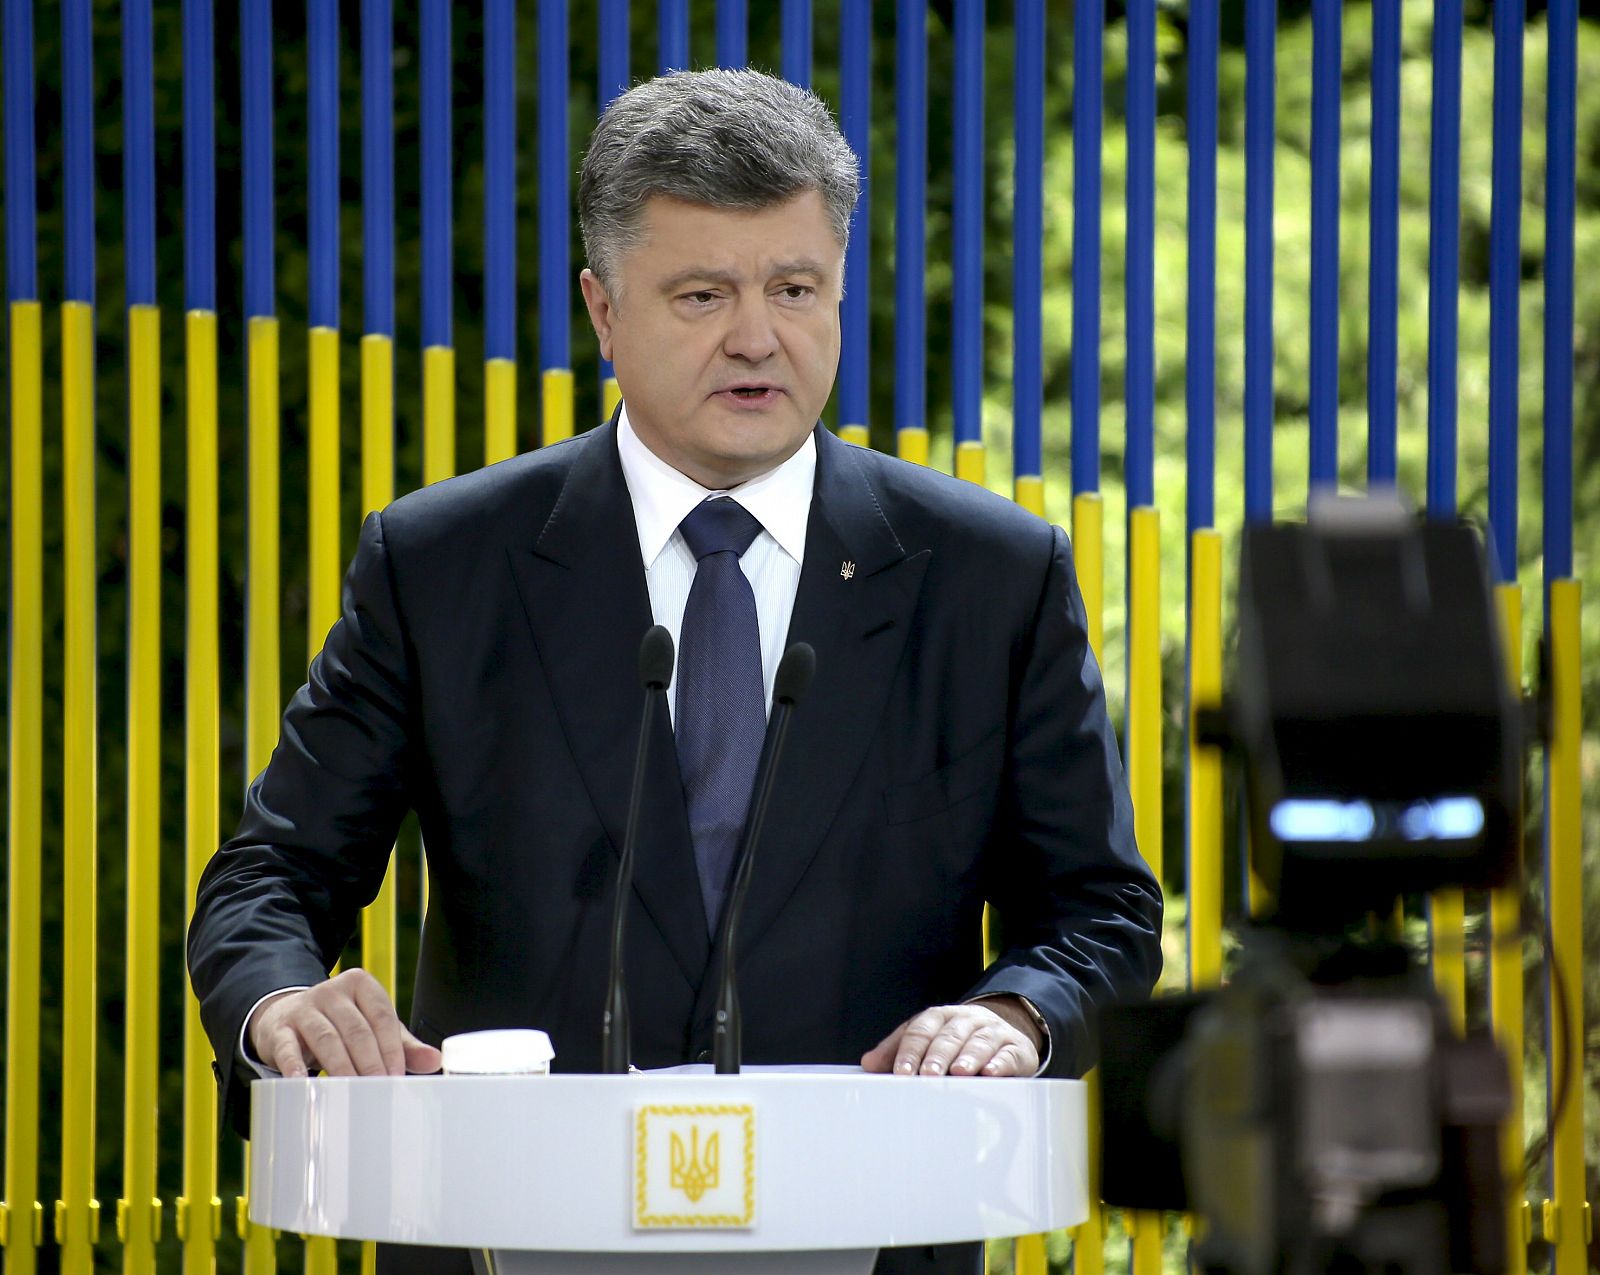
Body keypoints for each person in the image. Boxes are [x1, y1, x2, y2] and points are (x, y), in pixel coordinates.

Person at [188, 68, 1162, 1275]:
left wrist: (1014, 1014)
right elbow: (268, 880)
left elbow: (1100, 911)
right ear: (603, 311)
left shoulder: (989, 576)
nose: (758, 337)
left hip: (877, 1230)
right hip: (502, 1233)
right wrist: (283, 1002)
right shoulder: (443, 564)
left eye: (794, 289)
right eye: (702, 294)